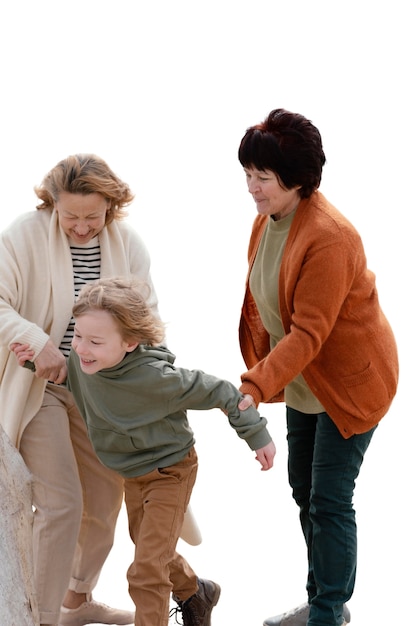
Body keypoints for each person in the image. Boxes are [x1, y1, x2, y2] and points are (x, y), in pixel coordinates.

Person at [0, 154, 200, 626]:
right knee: (61, 501)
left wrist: (157, 387)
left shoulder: (128, 246)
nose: (82, 226)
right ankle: (44, 618)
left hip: (101, 393)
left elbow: (147, 325)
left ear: (112, 207)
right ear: (52, 203)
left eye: (93, 216)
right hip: (39, 388)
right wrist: (34, 339)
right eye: (71, 216)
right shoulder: (23, 235)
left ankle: (76, 598)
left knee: (106, 504)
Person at [13, 276, 276, 626]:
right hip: (133, 475)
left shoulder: (158, 379)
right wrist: (35, 363)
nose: (81, 348)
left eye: (94, 341)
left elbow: (222, 392)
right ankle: (197, 592)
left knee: (146, 571)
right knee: (152, 549)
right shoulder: (84, 363)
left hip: (171, 470)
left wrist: (256, 435)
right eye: (77, 336)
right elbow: (71, 380)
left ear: (130, 342)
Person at [236, 109, 399, 626]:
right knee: (303, 490)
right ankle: (323, 600)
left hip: (349, 385)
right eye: (248, 174)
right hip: (304, 381)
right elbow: (263, 301)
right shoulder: (268, 220)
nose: (252, 188)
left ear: (298, 179)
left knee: (329, 497)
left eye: (262, 178)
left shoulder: (330, 237)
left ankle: (327, 611)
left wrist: (256, 383)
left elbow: (309, 332)